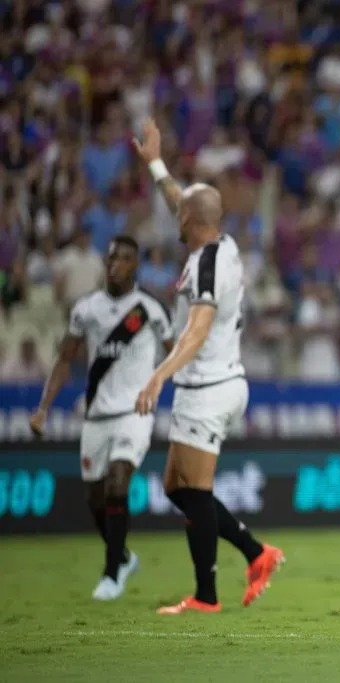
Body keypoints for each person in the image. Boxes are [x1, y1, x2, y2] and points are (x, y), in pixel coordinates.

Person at [132, 119, 284, 614]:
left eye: (179, 213)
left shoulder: (205, 266)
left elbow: (196, 331)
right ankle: (252, 555)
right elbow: (185, 200)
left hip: (208, 386)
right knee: (178, 487)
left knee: (193, 491)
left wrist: (158, 375)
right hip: (218, 382)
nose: (173, 214)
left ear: (188, 224)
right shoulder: (222, 244)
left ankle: (210, 592)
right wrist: (155, 162)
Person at [31, 235, 173, 601]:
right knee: (96, 500)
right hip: (96, 415)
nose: (115, 264)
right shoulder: (86, 309)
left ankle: (111, 575)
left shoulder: (149, 309)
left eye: (124, 258)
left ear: (135, 265)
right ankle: (123, 557)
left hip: (135, 411)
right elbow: (65, 359)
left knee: (118, 480)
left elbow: (177, 355)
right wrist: (44, 407)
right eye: (111, 257)